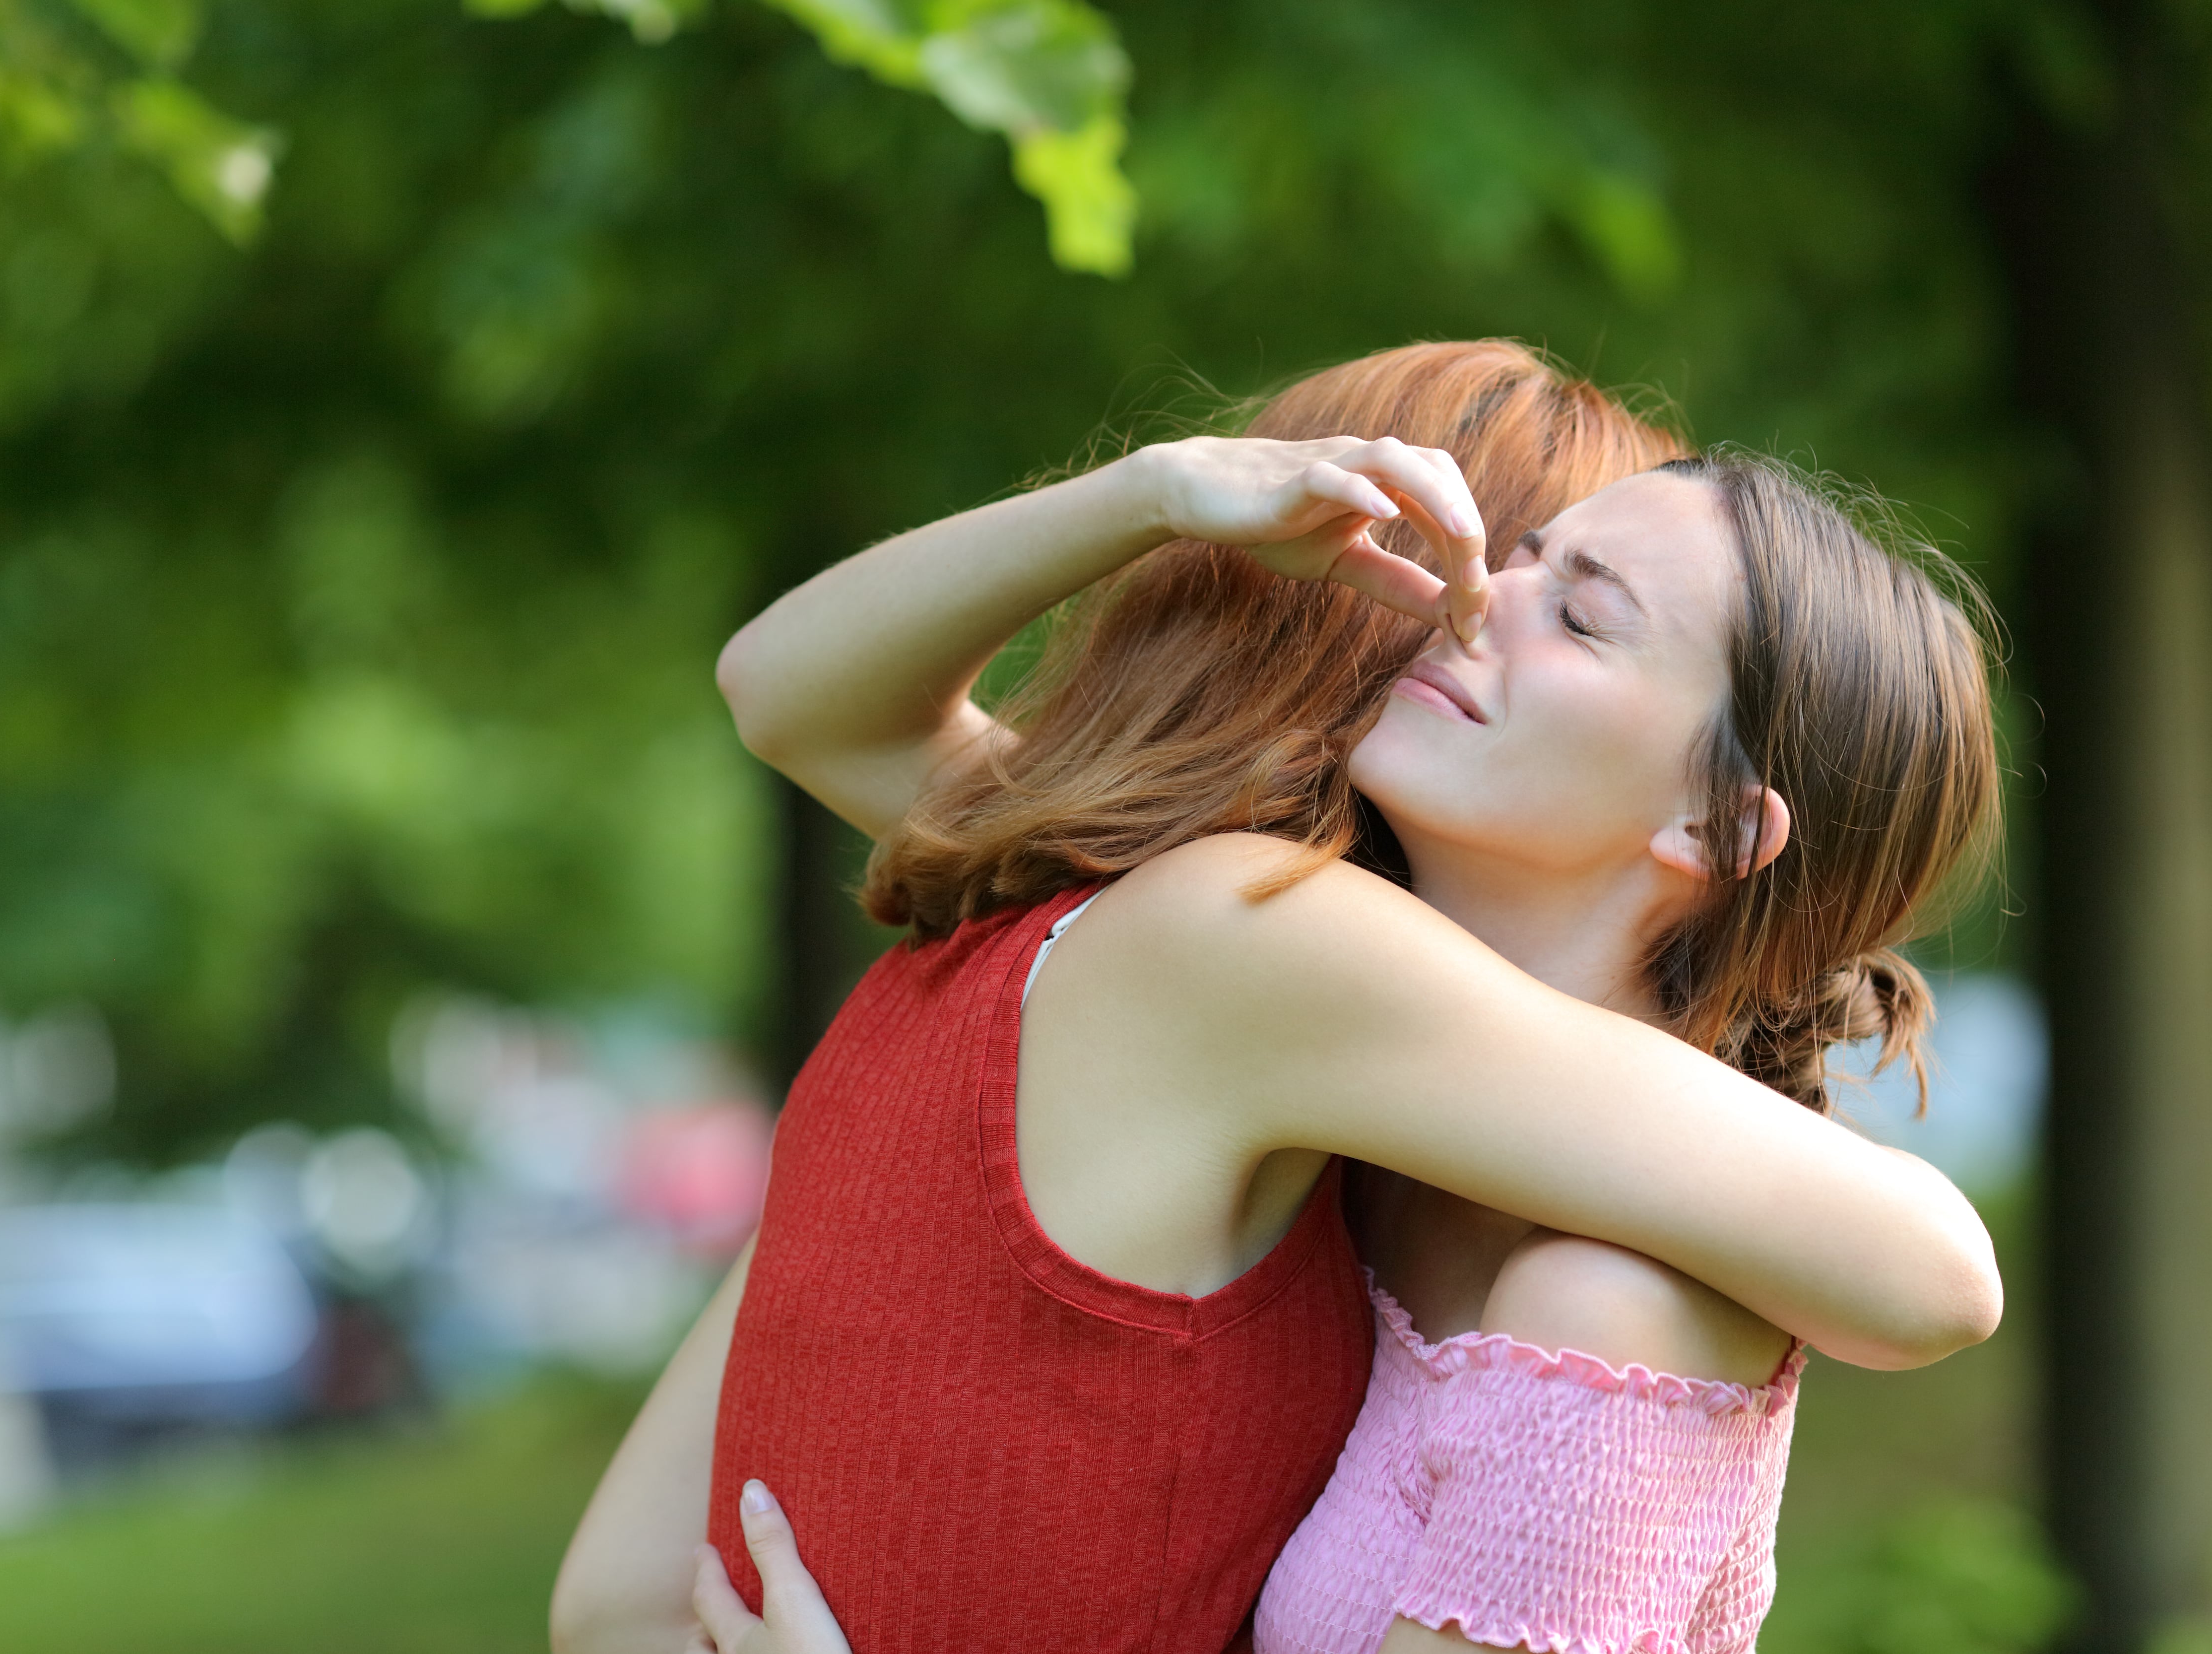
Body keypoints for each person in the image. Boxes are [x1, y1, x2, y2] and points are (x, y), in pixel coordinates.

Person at [551, 342, 2003, 1654]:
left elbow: (1942, 1271)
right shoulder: (1290, 1060)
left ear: (1717, 830)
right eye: (1505, 556)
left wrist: (1158, 498)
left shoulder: (1287, 986)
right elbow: (787, 693)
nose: (1471, 598)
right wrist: (1163, 488)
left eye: (1585, 612)